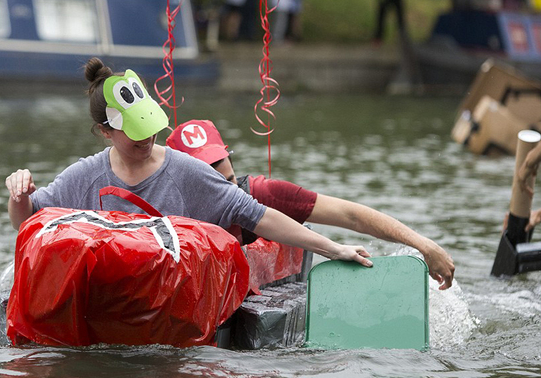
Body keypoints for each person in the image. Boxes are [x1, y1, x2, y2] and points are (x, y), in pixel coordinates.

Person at [5, 58, 373, 268]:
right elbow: (28, 224)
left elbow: (259, 216)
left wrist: (334, 249)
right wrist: (19, 195)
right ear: (105, 133)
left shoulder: (186, 171)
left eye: (150, 127)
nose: (147, 139)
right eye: (136, 133)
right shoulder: (83, 177)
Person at [166, 119, 456, 290]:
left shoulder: (262, 194)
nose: (225, 191)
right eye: (212, 183)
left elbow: (351, 216)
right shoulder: (164, 209)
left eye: (228, 180)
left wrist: (424, 245)